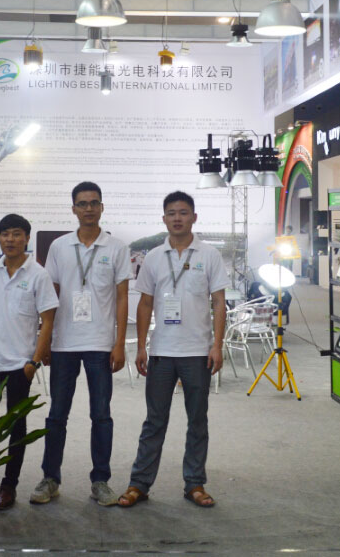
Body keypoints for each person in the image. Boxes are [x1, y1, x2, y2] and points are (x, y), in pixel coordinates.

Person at [118, 190, 228, 509]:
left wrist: (217, 345)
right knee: (154, 420)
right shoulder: (154, 257)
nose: (177, 218)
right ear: (164, 218)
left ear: (194, 217)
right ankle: (139, 484)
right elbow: (145, 304)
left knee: (197, 421)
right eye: (171, 213)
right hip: (162, 352)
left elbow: (219, 302)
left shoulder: (209, 255)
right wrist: (142, 347)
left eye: (183, 212)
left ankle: (195, 483)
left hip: (197, 352)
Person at [30, 182, 130, 507]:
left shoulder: (116, 247)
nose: (88, 208)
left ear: (102, 207)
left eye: (94, 203)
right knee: (57, 414)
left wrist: (119, 343)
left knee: (101, 415)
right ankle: (50, 478)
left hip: (100, 344)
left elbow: (122, 297)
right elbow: (51, 296)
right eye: (82, 203)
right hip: (63, 344)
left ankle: (100, 481)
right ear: (73, 209)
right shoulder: (60, 247)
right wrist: (44, 341)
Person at [0, 213, 59, 511]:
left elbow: (48, 320)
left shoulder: (38, 275)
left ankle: (9, 485)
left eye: (17, 234)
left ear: (27, 238)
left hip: (19, 366)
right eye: (5, 234)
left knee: (16, 428)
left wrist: (34, 361)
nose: (10, 239)